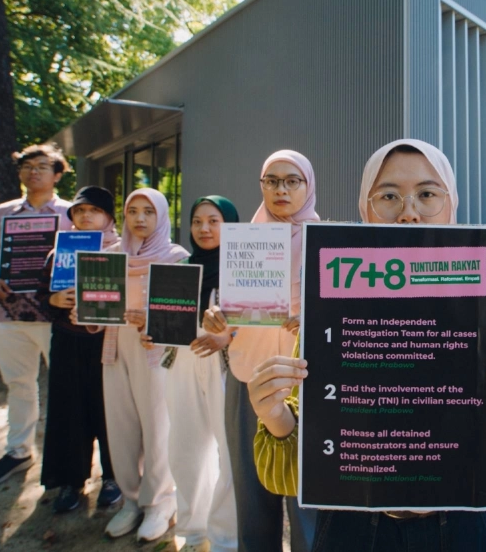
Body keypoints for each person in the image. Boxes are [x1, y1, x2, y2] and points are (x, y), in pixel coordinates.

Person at [246, 139, 486, 552]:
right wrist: (275, 415)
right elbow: (291, 472)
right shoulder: (331, 309)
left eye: (427, 194)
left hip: (459, 527)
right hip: (352, 527)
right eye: (389, 195)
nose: (408, 211)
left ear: (451, 204)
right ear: (365, 207)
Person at [204, 150, 320, 552]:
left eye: (292, 181)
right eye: (271, 181)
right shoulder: (246, 239)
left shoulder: (327, 242)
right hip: (248, 376)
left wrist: (313, 321)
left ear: (308, 186)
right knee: (251, 488)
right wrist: (217, 319)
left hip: (305, 382)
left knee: (305, 493)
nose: (281, 189)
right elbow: (230, 316)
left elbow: (343, 315)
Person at [79, 189, 189, 541]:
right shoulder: (109, 257)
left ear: (161, 217)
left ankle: (159, 503)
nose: (140, 219)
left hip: (154, 352)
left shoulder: (176, 258)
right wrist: (84, 313)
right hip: (115, 349)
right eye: (132, 211)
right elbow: (96, 314)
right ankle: (131, 500)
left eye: (148, 212)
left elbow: (181, 318)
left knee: (158, 428)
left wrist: (151, 320)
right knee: (121, 426)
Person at [0, 144, 73, 490]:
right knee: (18, 385)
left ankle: (68, 461)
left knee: (64, 388)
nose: (34, 172)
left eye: (43, 166)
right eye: (27, 166)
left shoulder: (73, 213)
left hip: (55, 316)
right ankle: (18, 452)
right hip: (7, 313)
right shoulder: (2, 213)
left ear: (57, 174)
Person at [143, 196, 240, 551]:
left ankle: (226, 537)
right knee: (185, 446)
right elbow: (167, 318)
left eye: (214, 221)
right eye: (198, 221)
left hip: (226, 365)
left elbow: (261, 318)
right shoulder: (181, 268)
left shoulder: (243, 268)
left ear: (230, 225)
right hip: (182, 361)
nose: (204, 229)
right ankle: (192, 530)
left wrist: (227, 336)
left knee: (229, 452)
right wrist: (153, 331)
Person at [37, 186, 122, 514]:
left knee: (109, 410)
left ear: (108, 217)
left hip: (108, 344)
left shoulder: (121, 250)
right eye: (79, 211)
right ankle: (70, 481)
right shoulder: (57, 253)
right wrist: (54, 301)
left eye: (94, 211)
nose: (86, 216)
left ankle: (114, 477)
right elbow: (41, 296)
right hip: (68, 342)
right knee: (69, 410)